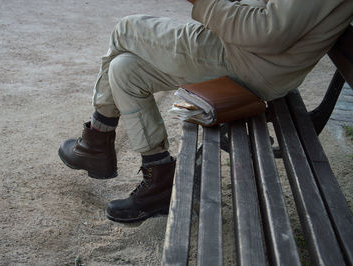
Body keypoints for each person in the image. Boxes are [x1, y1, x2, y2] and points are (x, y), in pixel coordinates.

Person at [59, 0, 353, 223]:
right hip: (251, 57)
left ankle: (97, 138)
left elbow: (269, 32)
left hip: (248, 60)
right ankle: (159, 175)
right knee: (125, 70)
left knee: (126, 28)